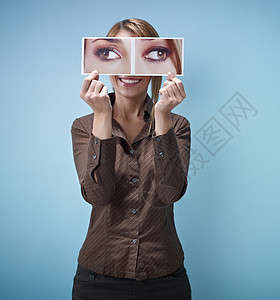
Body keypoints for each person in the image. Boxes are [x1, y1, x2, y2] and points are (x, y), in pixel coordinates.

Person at [71, 18, 191, 300]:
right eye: (117, 56)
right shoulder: (82, 126)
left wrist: (162, 118)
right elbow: (98, 196)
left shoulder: (178, 125)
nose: (130, 70)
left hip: (165, 278)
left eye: (144, 56)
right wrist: (102, 116)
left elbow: (171, 192)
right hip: (98, 278)